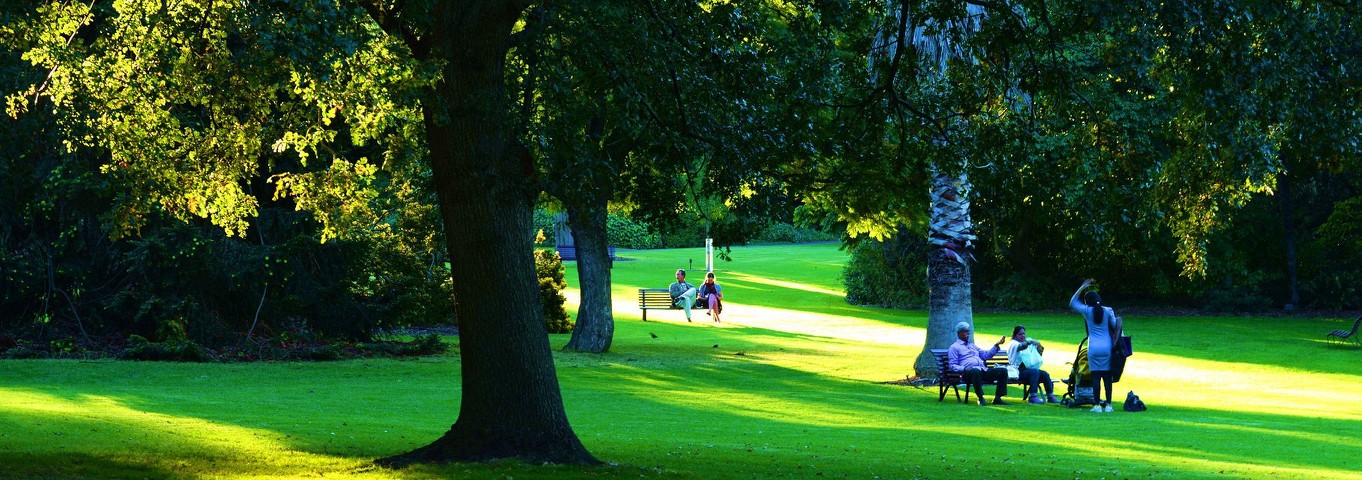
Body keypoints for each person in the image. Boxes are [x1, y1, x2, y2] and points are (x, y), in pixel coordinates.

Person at [1071, 279, 1123, 413]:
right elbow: (1113, 325)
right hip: (1107, 347)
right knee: (1107, 377)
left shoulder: (1087, 311)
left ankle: (1097, 405)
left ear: (1087, 301)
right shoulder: (1108, 310)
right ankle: (1109, 405)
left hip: (1093, 347)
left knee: (1095, 377)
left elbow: (1072, 302)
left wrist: (1082, 286)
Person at [947, 321, 1010, 406]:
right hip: (968, 373)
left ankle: (998, 398)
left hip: (982, 370)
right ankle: (980, 398)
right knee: (975, 371)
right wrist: (964, 368)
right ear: (959, 333)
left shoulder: (972, 346)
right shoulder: (954, 347)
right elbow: (952, 366)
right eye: (965, 331)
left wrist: (996, 345)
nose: (968, 333)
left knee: (1002, 371)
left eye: (968, 331)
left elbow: (985, 355)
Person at [1007, 325, 1060, 405]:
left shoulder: (1025, 343)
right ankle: (1033, 397)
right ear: (1015, 335)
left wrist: (1038, 345)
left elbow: (1038, 353)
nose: (1023, 336)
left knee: (1044, 374)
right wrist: (1029, 342)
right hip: (1017, 372)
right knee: (1034, 372)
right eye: (1020, 334)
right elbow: (1022, 347)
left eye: (1024, 333)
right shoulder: (1013, 344)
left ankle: (1050, 396)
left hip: (1028, 371)